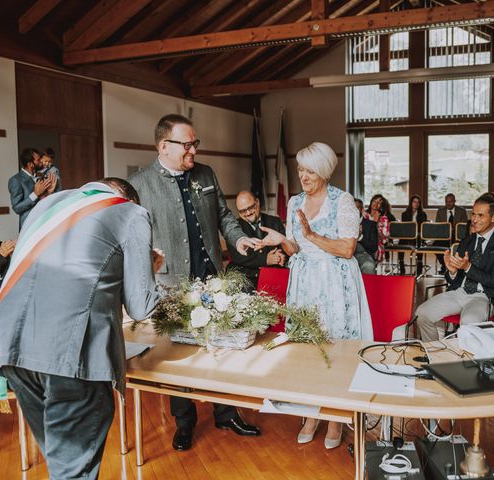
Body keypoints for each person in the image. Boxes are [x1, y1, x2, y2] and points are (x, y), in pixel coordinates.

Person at [0, 178, 163, 480]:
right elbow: (141, 307)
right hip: (71, 354)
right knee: (72, 471)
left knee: (61, 460)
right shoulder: (130, 212)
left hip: (12, 347)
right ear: (127, 197)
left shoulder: (46, 207)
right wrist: (149, 267)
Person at [129, 114, 260, 451]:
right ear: (163, 146)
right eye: (187, 144)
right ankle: (184, 422)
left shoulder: (205, 173)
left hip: (213, 275)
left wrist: (238, 239)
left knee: (222, 347)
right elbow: (133, 236)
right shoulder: (142, 184)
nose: (193, 150)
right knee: (180, 354)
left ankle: (226, 412)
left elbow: (224, 216)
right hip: (172, 281)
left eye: (195, 143)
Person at [258, 142, 373, 450]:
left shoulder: (342, 201)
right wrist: (283, 239)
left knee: (334, 348)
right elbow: (295, 248)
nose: (303, 176)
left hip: (335, 283)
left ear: (323, 171)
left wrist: (312, 236)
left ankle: (335, 416)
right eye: (300, 169)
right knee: (307, 347)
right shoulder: (295, 201)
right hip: (304, 281)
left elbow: (347, 249)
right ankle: (311, 412)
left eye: (309, 170)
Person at [415, 194, 494, 341]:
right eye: (473, 214)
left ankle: (465, 361)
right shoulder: (467, 241)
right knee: (421, 313)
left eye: (481, 215)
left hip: (485, 296)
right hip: (459, 292)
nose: (474, 220)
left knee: (467, 324)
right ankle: (435, 353)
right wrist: (452, 271)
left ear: (493, 218)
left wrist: (468, 267)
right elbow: (451, 278)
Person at [228, 190, 286, 289]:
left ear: (257, 202)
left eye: (250, 207)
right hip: (247, 280)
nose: (248, 213)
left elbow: (284, 246)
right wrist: (265, 259)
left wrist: (281, 256)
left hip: (274, 278)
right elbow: (237, 256)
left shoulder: (275, 221)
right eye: (242, 211)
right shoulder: (234, 228)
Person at [8, 148, 56, 229]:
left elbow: (43, 202)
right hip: (29, 228)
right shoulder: (16, 180)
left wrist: (49, 193)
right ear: (30, 164)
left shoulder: (41, 175)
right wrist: (35, 194)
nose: (41, 161)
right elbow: (17, 208)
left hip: (44, 224)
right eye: (38, 160)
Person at [435, 193, 468, 273]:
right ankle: (444, 264)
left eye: (450, 202)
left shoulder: (462, 211)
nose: (448, 204)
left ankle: (455, 266)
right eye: (446, 201)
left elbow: (464, 226)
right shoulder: (440, 211)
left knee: (460, 247)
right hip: (444, 236)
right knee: (435, 245)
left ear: (454, 201)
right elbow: (438, 225)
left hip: (456, 236)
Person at [398, 195, 427, 275]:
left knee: (419, 242)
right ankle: (401, 266)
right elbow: (405, 227)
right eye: (414, 202)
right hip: (407, 235)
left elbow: (422, 228)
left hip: (417, 235)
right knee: (401, 242)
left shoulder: (423, 214)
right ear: (411, 203)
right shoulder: (404, 214)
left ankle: (419, 267)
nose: (416, 204)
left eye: (418, 202)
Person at [363, 194, 390, 264]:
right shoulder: (364, 215)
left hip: (375, 245)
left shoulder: (384, 219)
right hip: (362, 242)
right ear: (371, 202)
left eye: (379, 203)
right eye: (374, 201)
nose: (376, 204)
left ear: (382, 206)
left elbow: (383, 240)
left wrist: (376, 224)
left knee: (376, 248)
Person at [354, 198, 377, 274]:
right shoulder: (342, 223)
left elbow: (373, 247)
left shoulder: (371, 225)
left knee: (368, 265)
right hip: (345, 255)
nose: (353, 210)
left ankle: (369, 285)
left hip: (364, 254)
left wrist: (360, 237)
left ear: (362, 209)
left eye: (356, 208)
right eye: (351, 208)